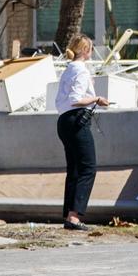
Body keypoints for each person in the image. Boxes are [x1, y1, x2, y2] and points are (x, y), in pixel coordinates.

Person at [54, 34, 109, 231]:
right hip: (77, 120)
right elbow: (76, 99)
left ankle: (69, 215)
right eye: (91, 48)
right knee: (88, 168)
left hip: (63, 121)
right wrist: (97, 99)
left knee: (74, 169)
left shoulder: (68, 70)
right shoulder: (82, 71)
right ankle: (74, 217)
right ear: (86, 50)